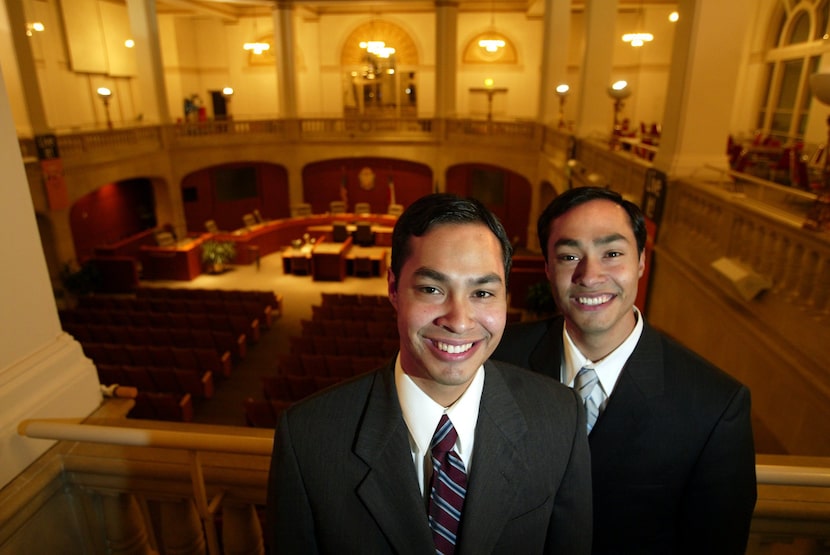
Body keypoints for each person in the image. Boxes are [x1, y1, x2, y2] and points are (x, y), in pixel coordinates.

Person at [267, 193, 593, 554]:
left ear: (504, 297)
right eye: (432, 289)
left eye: (482, 292)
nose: (458, 320)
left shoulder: (560, 416)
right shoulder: (308, 439)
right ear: (393, 288)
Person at [493, 186, 757, 554]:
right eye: (569, 256)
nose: (590, 275)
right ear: (548, 269)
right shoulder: (496, 360)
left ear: (641, 262)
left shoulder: (714, 406)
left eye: (612, 253)